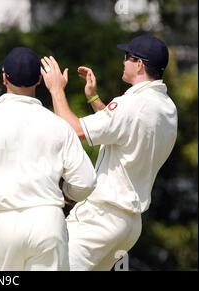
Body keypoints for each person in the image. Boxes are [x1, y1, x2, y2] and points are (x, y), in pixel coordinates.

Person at [40, 35, 178, 271]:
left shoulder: (133, 104)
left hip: (102, 217)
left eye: (127, 57)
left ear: (139, 64)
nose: (123, 62)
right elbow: (123, 134)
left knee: (50, 266)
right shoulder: (166, 107)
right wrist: (94, 99)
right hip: (129, 225)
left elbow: (73, 130)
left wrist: (55, 89)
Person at [0, 47, 97, 271]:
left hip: (2, 224)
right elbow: (86, 182)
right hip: (48, 222)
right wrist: (66, 195)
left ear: (3, 78)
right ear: (39, 79)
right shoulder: (59, 125)